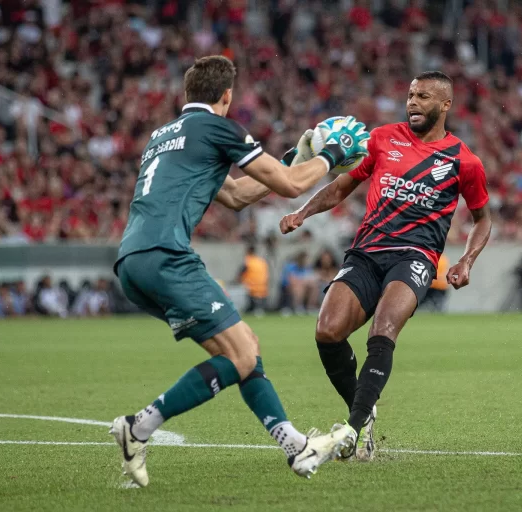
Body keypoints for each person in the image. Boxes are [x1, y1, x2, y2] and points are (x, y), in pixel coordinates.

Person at [111, 55, 369, 486]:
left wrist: (289, 159)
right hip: (167, 255)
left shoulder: (163, 135)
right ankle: (138, 427)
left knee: (243, 348)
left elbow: (233, 193)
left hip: (133, 260)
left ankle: (295, 446)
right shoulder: (218, 127)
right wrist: (330, 154)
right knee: (242, 354)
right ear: (227, 96)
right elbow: (291, 187)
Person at [279, 71, 492, 461]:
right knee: (327, 331)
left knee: (384, 328)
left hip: (415, 256)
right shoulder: (381, 139)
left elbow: (483, 219)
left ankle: (354, 430)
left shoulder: (465, 161)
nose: (413, 102)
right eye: (410, 95)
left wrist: (466, 260)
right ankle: (363, 410)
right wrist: (303, 211)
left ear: (445, 105)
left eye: (423, 96)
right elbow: (342, 186)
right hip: (366, 251)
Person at [237, 245, 269, 315]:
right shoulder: (262, 261)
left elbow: (239, 276)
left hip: (251, 290)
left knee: (237, 288)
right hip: (263, 290)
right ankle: (258, 309)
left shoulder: (248, 261)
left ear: (247, 251)